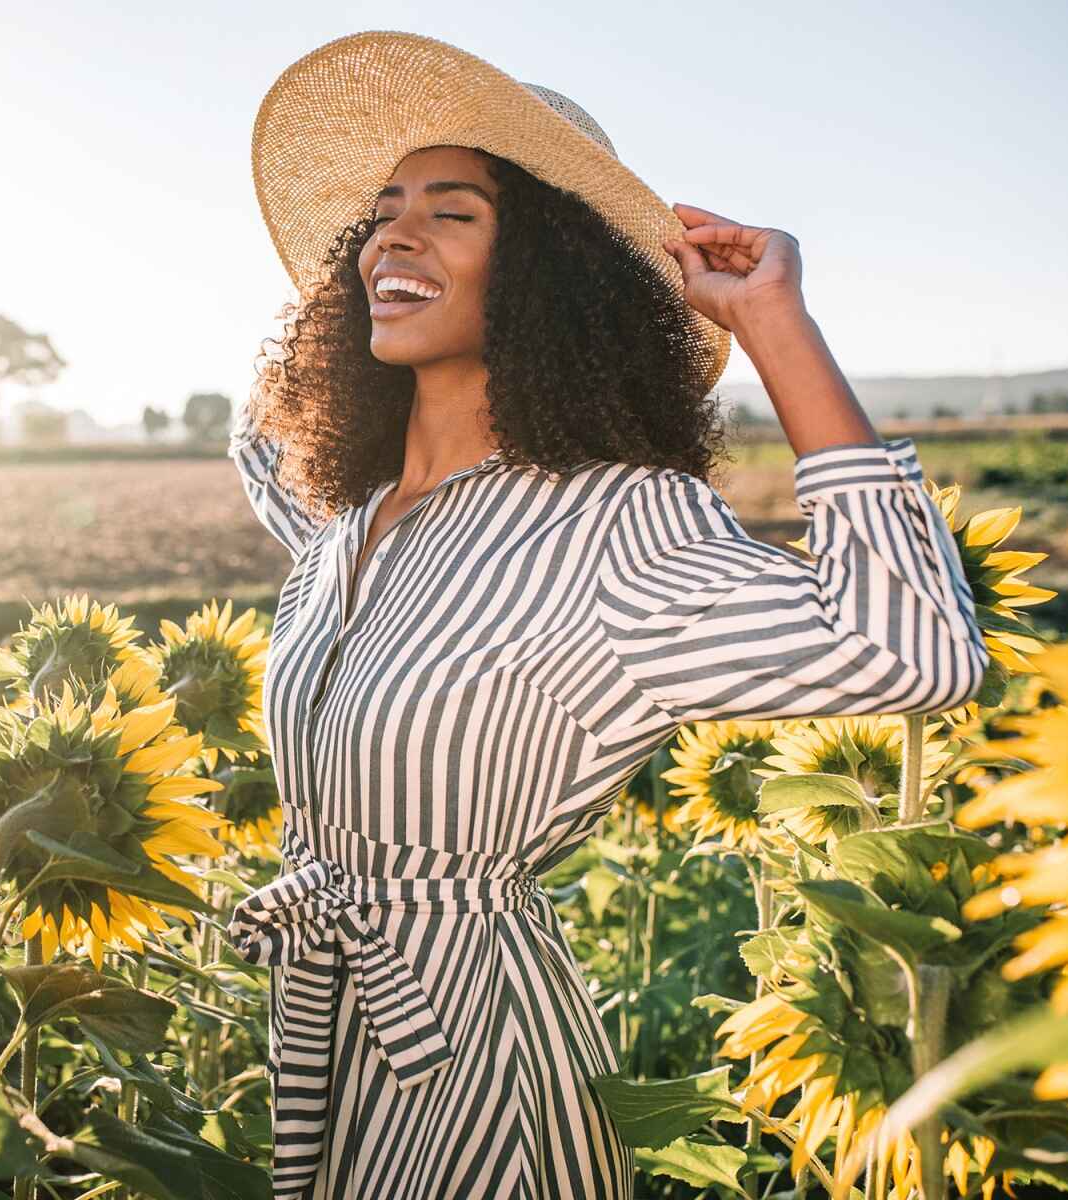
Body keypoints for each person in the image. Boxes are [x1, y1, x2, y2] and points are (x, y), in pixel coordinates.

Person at [225, 30, 987, 1200]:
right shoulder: (347, 526)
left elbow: (917, 648)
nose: (394, 233)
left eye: (456, 210)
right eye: (378, 211)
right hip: (322, 1038)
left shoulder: (616, 529)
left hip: (473, 1061)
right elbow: (261, 440)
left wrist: (775, 323)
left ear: (550, 272)